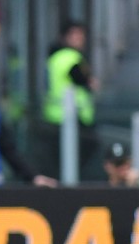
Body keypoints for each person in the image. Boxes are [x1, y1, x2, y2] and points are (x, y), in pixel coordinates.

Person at [36, 21, 98, 179]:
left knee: (60, 160)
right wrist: (90, 82)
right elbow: (82, 79)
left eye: (81, 35)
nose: (80, 39)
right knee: (79, 154)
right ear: (65, 37)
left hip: (55, 115)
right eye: (75, 35)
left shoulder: (54, 58)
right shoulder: (71, 57)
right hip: (72, 117)